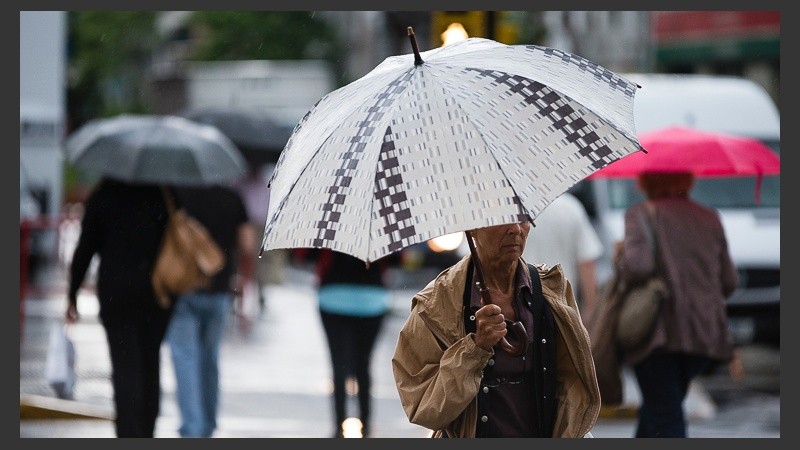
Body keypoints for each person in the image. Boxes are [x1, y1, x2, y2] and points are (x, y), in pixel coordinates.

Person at [391, 221, 600, 438]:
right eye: (502, 221)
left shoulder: (551, 290)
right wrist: (476, 348)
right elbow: (425, 409)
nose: (515, 229)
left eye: (522, 219)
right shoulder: (435, 305)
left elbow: (573, 388)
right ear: (472, 228)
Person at [614, 171, 738, 438]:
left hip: (659, 333)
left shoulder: (642, 214)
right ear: (688, 179)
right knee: (660, 407)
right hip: (704, 335)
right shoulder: (710, 218)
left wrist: (621, 256)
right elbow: (729, 281)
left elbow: (638, 266)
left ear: (646, 180)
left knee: (664, 413)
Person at [66, 177, 172, 437]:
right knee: (150, 362)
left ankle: (128, 431)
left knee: (125, 365)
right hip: (156, 293)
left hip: (116, 293)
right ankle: (147, 428)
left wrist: (72, 293)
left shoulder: (104, 195)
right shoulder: (161, 194)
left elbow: (85, 248)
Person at [165, 184, 254, 438]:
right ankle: (208, 425)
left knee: (185, 358)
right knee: (210, 359)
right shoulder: (233, 198)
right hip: (219, 292)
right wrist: (245, 293)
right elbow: (247, 246)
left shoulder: (177, 194)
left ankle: (191, 427)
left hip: (183, 289)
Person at [294, 248, 399, 438]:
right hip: (372, 300)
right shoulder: (380, 223)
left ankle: (338, 426)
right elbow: (397, 259)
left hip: (333, 297)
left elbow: (304, 255)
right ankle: (366, 425)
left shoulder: (332, 222)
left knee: (339, 365)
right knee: (364, 364)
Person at [523, 192, 603, 323]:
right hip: (565, 312)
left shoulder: (516, 211)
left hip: (525, 310)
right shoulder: (571, 207)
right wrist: (590, 315)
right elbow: (587, 265)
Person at [231, 163, 286, 312]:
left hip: (259, 226)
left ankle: (257, 291)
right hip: (243, 224)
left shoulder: (265, 184)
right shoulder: (240, 182)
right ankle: (238, 292)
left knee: (257, 262)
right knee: (241, 261)